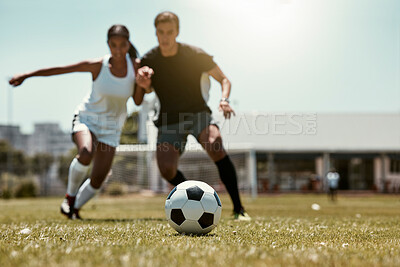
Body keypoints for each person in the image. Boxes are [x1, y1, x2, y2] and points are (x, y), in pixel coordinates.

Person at [9, 25, 139, 219]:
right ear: (108, 45)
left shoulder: (136, 67)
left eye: (122, 45)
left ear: (128, 44)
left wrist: (145, 84)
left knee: (98, 179)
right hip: (87, 119)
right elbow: (61, 69)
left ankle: (73, 209)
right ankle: (70, 197)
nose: (118, 50)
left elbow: (137, 100)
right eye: (114, 45)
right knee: (86, 153)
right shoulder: (98, 65)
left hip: (112, 128)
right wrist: (27, 75)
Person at [134, 11, 251, 221]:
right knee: (166, 169)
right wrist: (143, 85)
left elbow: (225, 80)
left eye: (170, 32)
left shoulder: (195, 55)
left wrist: (224, 100)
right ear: (156, 33)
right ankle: (191, 197)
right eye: (161, 32)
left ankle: (238, 209)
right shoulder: (150, 59)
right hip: (169, 120)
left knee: (215, 144)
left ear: (177, 32)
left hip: (197, 113)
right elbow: (145, 91)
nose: (165, 37)